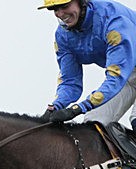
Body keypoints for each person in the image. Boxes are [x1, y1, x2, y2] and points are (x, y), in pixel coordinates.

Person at [39, 0, 136, 128]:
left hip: (121, 74)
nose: (60, 14)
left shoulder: (115, 22)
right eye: (55, 9)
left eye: (65, 6)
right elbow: (70, 82)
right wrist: (56, 106)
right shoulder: (62, 36)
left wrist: (78, 108)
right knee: (93, 123)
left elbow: (116, 77)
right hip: (127, 73)